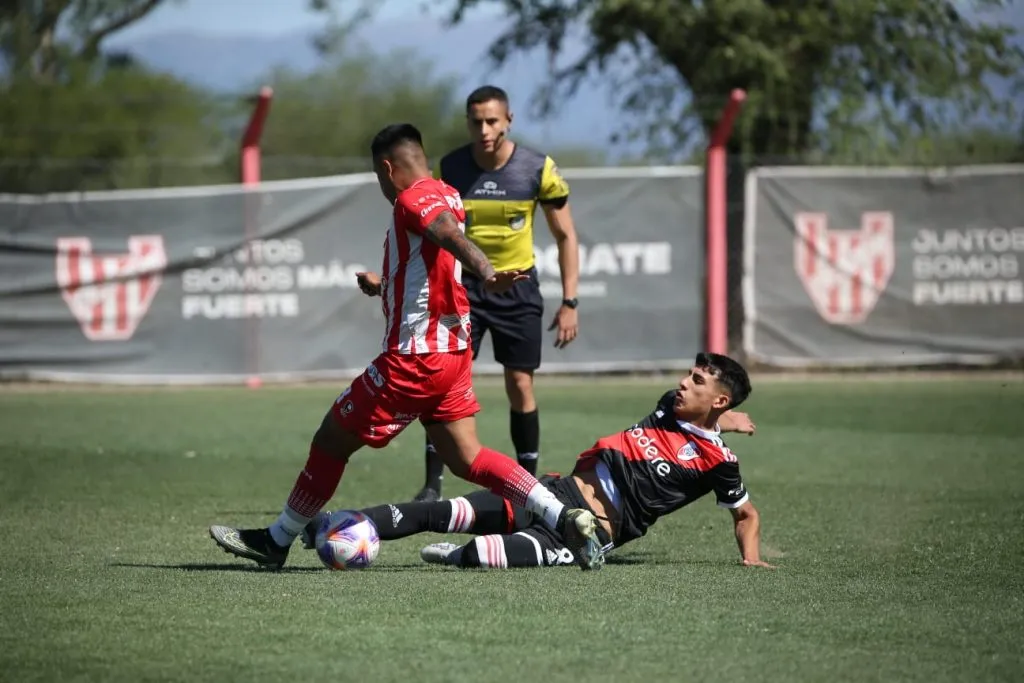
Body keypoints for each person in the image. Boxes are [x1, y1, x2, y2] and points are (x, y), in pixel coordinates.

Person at [209, 123, 605, 571]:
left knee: (330, 441)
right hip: (452, 355)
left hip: (415, 359)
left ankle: (276, 540)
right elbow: (432, 262)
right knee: (468, 457)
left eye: (380, 178)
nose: (383, 187)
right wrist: (387, 283)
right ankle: (563, 514)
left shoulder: (414, 197)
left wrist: (486, 271)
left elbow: (449, 239)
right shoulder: (449, 191)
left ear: (387, 167)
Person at [302, 353, 774, 571]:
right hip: (554, 495)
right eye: (688, 376)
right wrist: (726, 418)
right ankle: (335, 523)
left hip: (594, 531)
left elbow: (745, 513)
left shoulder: (719, 463)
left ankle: (465, 552)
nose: (683, 383)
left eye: (696, 380)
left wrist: (750, 560)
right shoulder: (669, 404)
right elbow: (697, 421)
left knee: (482, 557)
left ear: (719, 398)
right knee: (439, 511)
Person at [413, 84, 582, 503]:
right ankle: (432, 485)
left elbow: (565, 236)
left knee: (520, 383)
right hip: (463, 289)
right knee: (443, 381)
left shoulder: (537, 168)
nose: (485, 129)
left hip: (518, 289)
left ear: (509, 120)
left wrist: (570, 301)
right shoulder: (449, 167)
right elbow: (432, 233)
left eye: (492, 120)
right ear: (468, 123)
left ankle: (526, 487)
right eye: (476, 121)